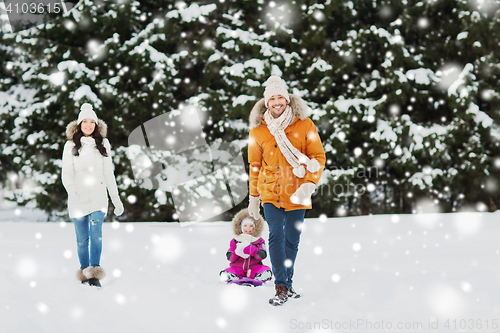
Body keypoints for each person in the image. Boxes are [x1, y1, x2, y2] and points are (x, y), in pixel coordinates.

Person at [247, 76, 326, 306]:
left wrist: (309, 183)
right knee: (276, 235)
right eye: (272, 98)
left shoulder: (304, 123)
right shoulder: (259, 130)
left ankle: (289, 284)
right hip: (271, 192)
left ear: (287, 98)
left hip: (298, 192)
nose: (276, 101)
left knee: (292, 240)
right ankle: (280, 285)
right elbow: (255, 166)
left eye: (280, 96)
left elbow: (318, 156)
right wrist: (254, 197)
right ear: (266, 101)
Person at [62, 103, 124, 288]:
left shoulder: (103, 144)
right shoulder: (70, 145)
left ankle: (94, 273)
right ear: (79, 124)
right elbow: (66, 172)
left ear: (96, 125)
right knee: (82, 240)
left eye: (92, 122)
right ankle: (84, 271)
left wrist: (116, 198)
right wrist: (71, 188)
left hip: (98, 196)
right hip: (78, 197)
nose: (88, 125)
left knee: (96, 234)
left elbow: (108, 173)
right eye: (85, 122)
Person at [219, 208, 272, 283]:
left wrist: (253, 250)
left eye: (251, 226)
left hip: (254, 267)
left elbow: (262, 255)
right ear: (241, 227)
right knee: (231, 270)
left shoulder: (259, 240)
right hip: (238, 267)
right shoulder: (235, 240)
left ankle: (261, 275)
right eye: (245, 226)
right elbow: (230, 258)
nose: (248, 228)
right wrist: (236, 253)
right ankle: (230, 275)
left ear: (255, 228)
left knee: (263, 269)